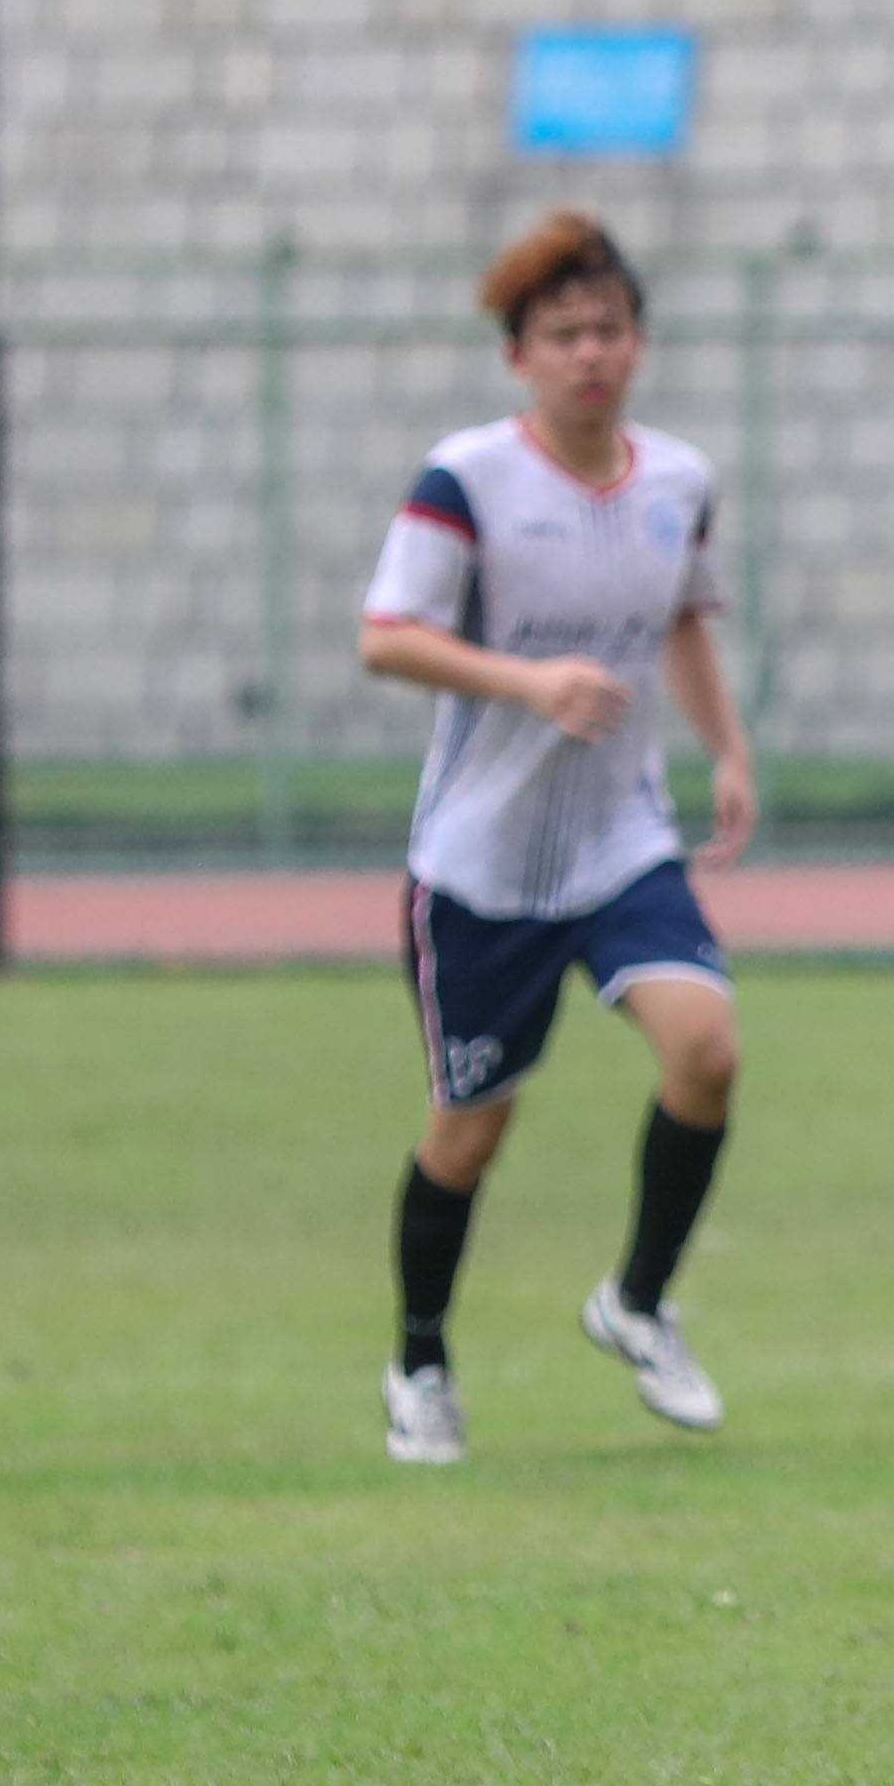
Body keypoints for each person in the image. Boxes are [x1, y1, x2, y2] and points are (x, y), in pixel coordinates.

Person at [359, 210, 755, 1467]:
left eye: (610, 331)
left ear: (639, 343)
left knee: (706, 1048)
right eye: (563, 335)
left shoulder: (677, 482)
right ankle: (421, 1360)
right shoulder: (466, 479)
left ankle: (636, 1302)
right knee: (471, 1132)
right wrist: (529, 686)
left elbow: (685, 619)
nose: (591, 354)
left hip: (620, 843)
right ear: (520, 353)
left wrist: (728, 749)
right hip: (480, 863)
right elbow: (386, 637)